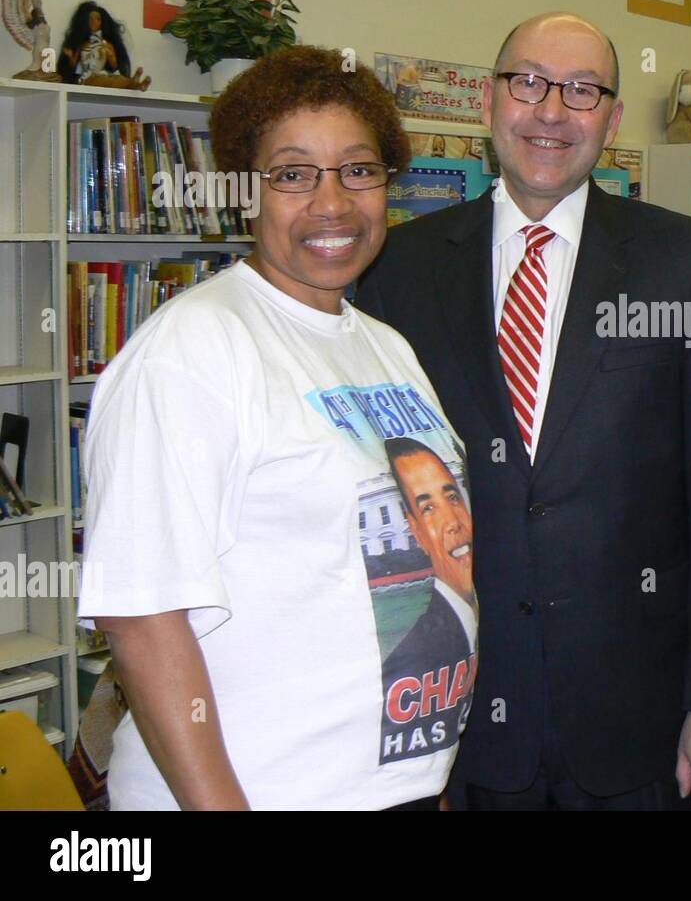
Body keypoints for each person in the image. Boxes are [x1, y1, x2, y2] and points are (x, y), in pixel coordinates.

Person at [357, 12, 691, 811]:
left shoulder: (685, 261)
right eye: (529, 82)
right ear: (488, 100)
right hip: (464, 714)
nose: (551, 110)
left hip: (635, 722)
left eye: (582, 90)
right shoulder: (400, 270)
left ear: (611, 121)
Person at [78, 46, 475, 810]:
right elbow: (142, 614)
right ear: (243, 193)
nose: (332, 202)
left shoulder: (384, 345)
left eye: (358, 170)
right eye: (293, 174)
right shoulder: (192, 349)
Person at [381, 438, 477, 760]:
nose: (453, 521)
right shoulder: (408, 654)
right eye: (428, 507)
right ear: (415, 531)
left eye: (452, 497)